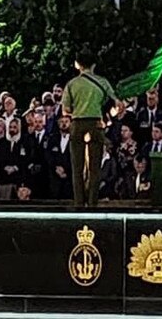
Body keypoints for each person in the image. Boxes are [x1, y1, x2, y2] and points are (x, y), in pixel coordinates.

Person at [62, 49, 121, 207]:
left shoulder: (72, 84)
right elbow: (118, 103)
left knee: (77, 167)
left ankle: (79, 203)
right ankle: (93, 202)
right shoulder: (102, 82)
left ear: (77, 64)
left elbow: (65, 109)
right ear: (94, 65)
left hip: (77, 124)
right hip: (96, 124)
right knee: (95, 167)